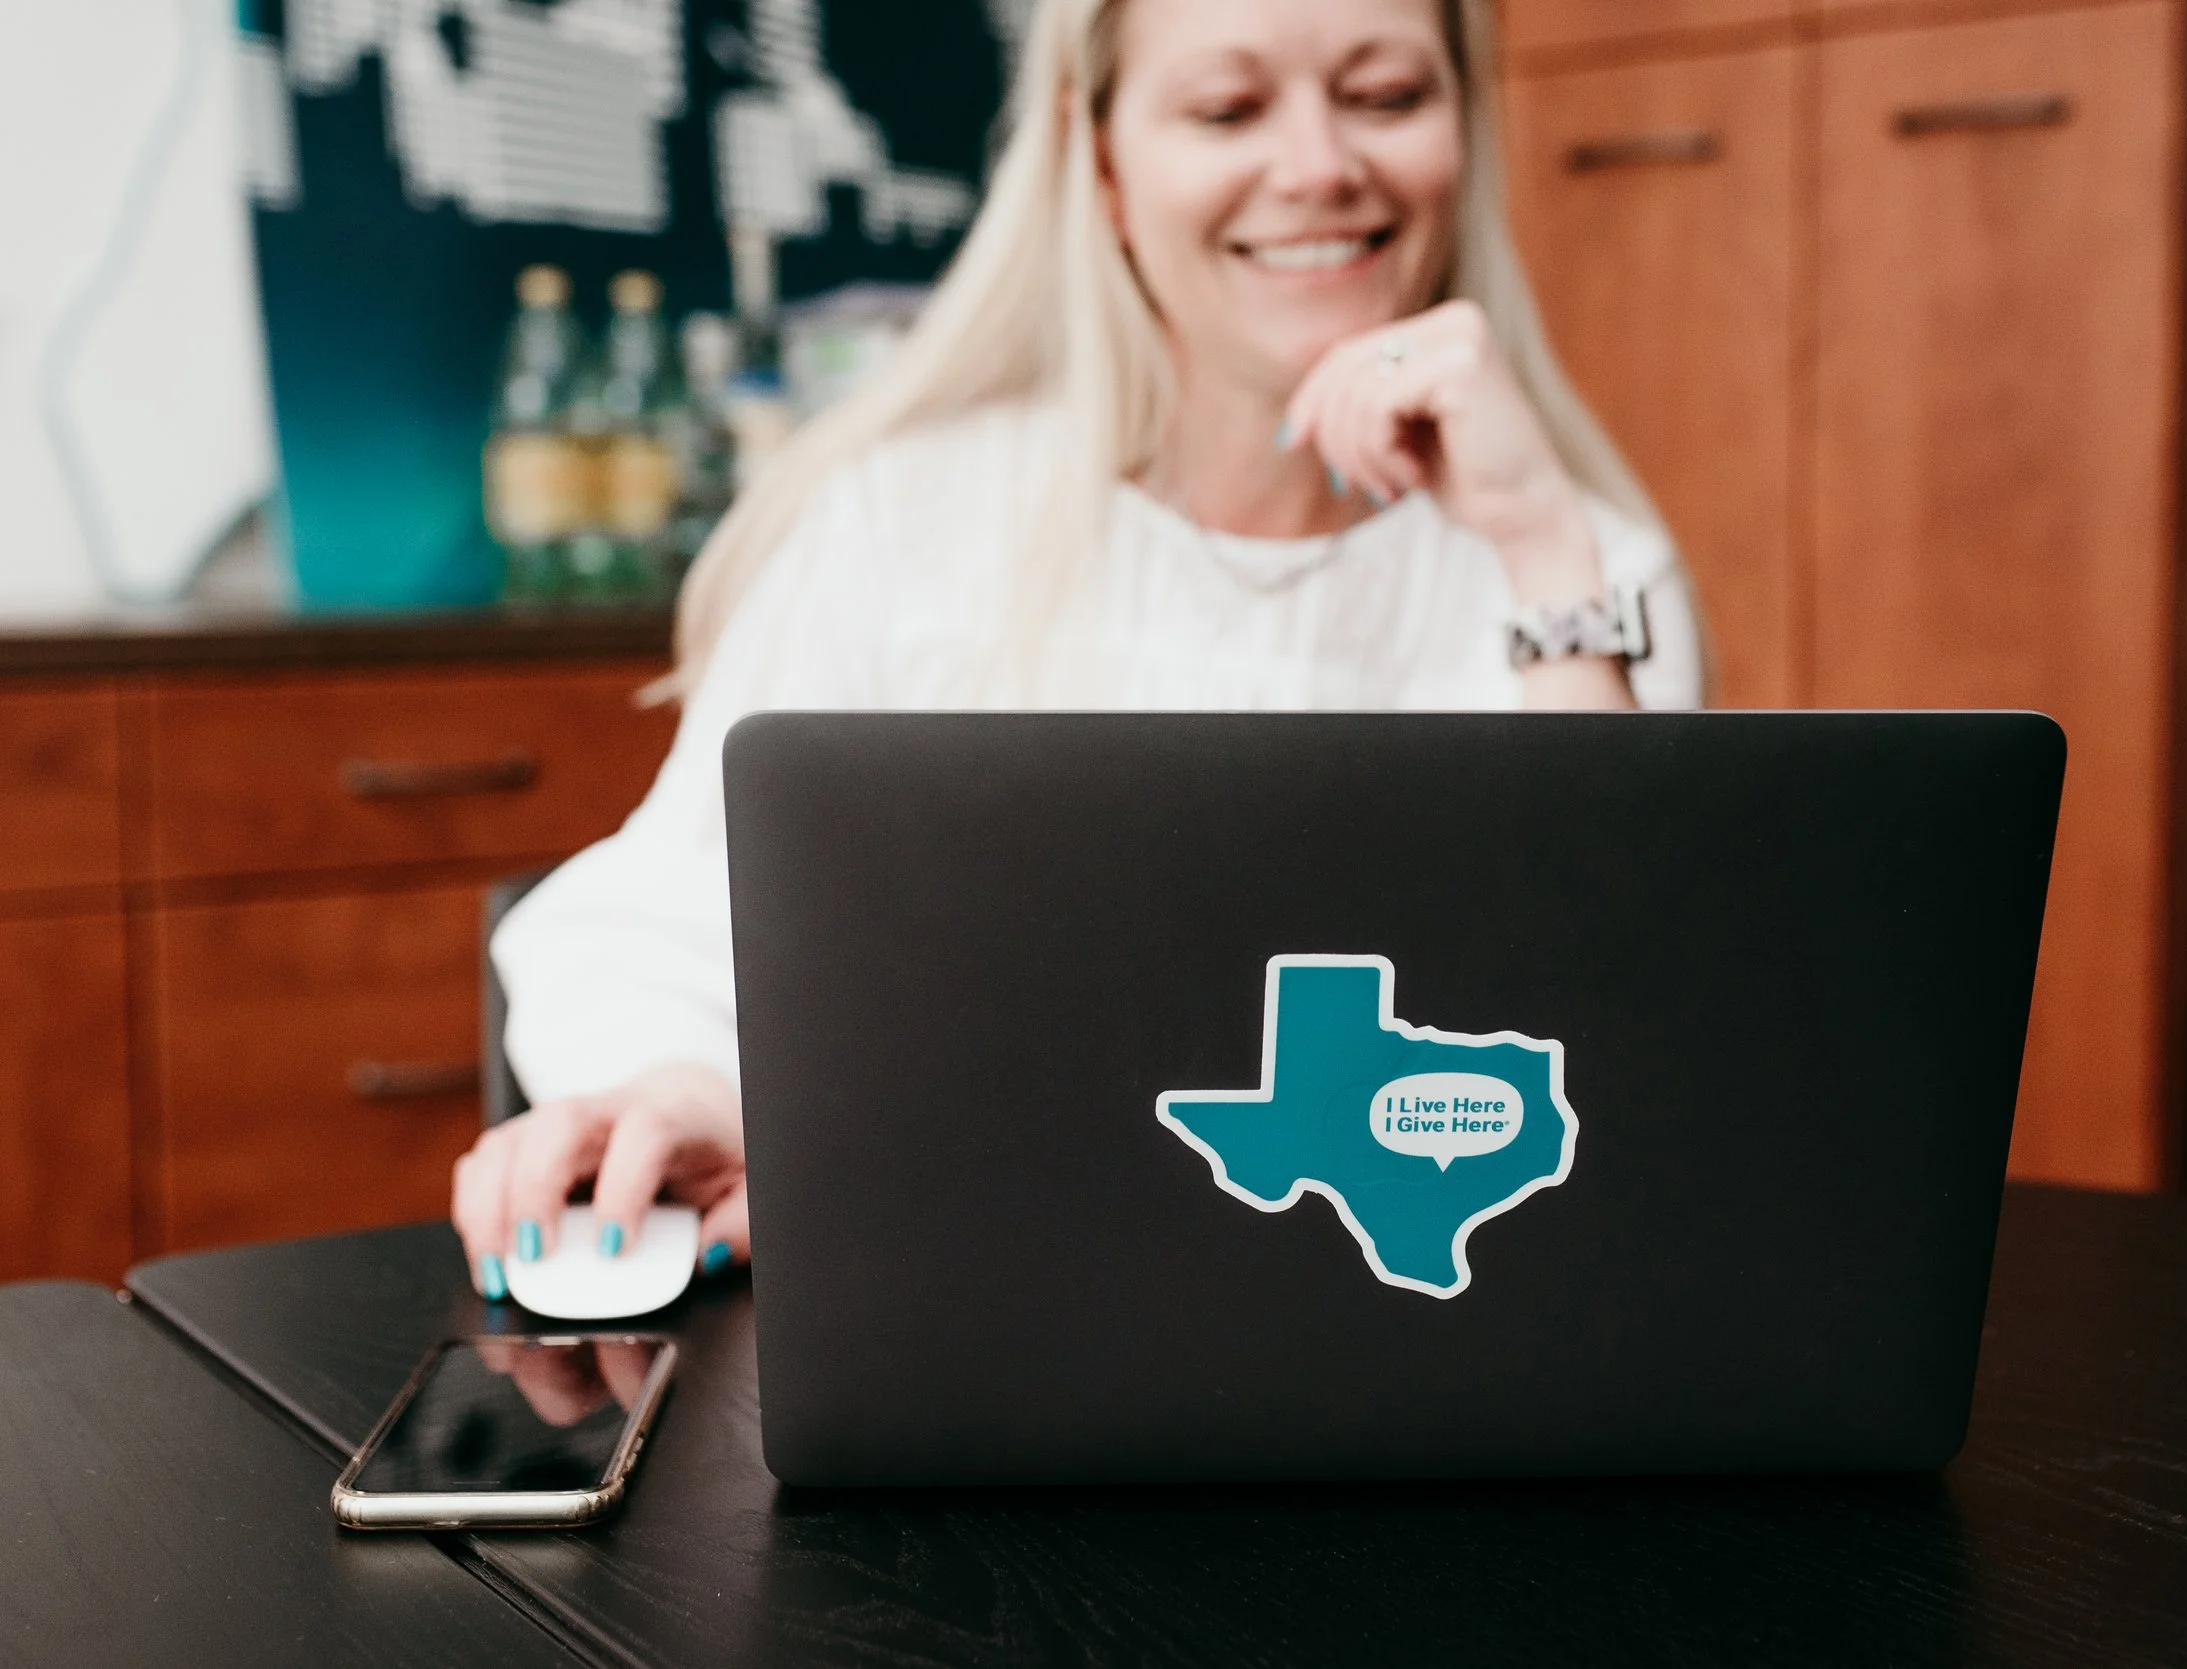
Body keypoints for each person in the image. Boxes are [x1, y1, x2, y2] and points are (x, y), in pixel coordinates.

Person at [451, 0, 1706, 1302]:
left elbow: (1629, 1045)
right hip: (983, 1336)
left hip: (1439, 1357)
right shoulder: (902, 518)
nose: (1323, 164)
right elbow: (671, 914)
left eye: (1386, 95)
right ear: (1098, 163)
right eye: (1228, 108)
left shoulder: (1578, 569)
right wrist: (683, 1087)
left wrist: (1541, 543)